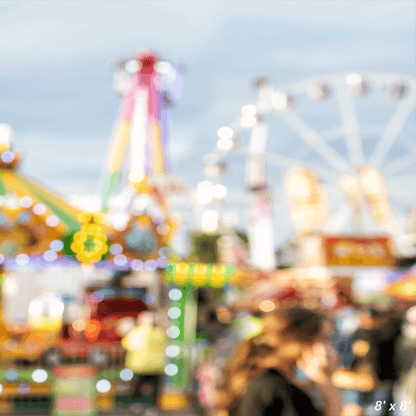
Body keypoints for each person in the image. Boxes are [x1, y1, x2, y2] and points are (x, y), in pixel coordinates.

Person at [214, 306, 342, 416]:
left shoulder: (256, 379)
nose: (328, 346)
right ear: (299, 342)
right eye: (323, 338)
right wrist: (327, 385)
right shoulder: (278, 389)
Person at [121, 311, 167, 415]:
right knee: (154, 389)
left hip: (139, 366)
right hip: (156, 366)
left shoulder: (135, 333)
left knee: (137, 387)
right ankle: (152, 408)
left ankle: (136, 406)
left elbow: (127, 344)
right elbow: (164, 342)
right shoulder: (159, 333)